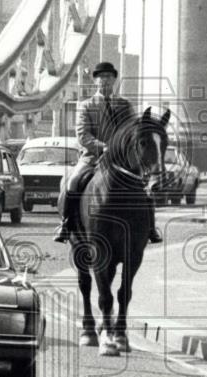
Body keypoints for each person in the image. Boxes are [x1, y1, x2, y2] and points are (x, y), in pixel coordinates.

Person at [54, 61, 162, 244]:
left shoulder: (125, 105)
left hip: (121, 160)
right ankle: (66, 223)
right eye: (101, 77)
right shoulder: (86, 106)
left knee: (143, 187)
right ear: (95, 81)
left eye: (109, 77)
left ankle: (150, 228)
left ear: (114, 80)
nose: (105, 81)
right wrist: (103, 147)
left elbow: (132, 132)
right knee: (72, 182)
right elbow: (83, 135)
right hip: (92, 158)